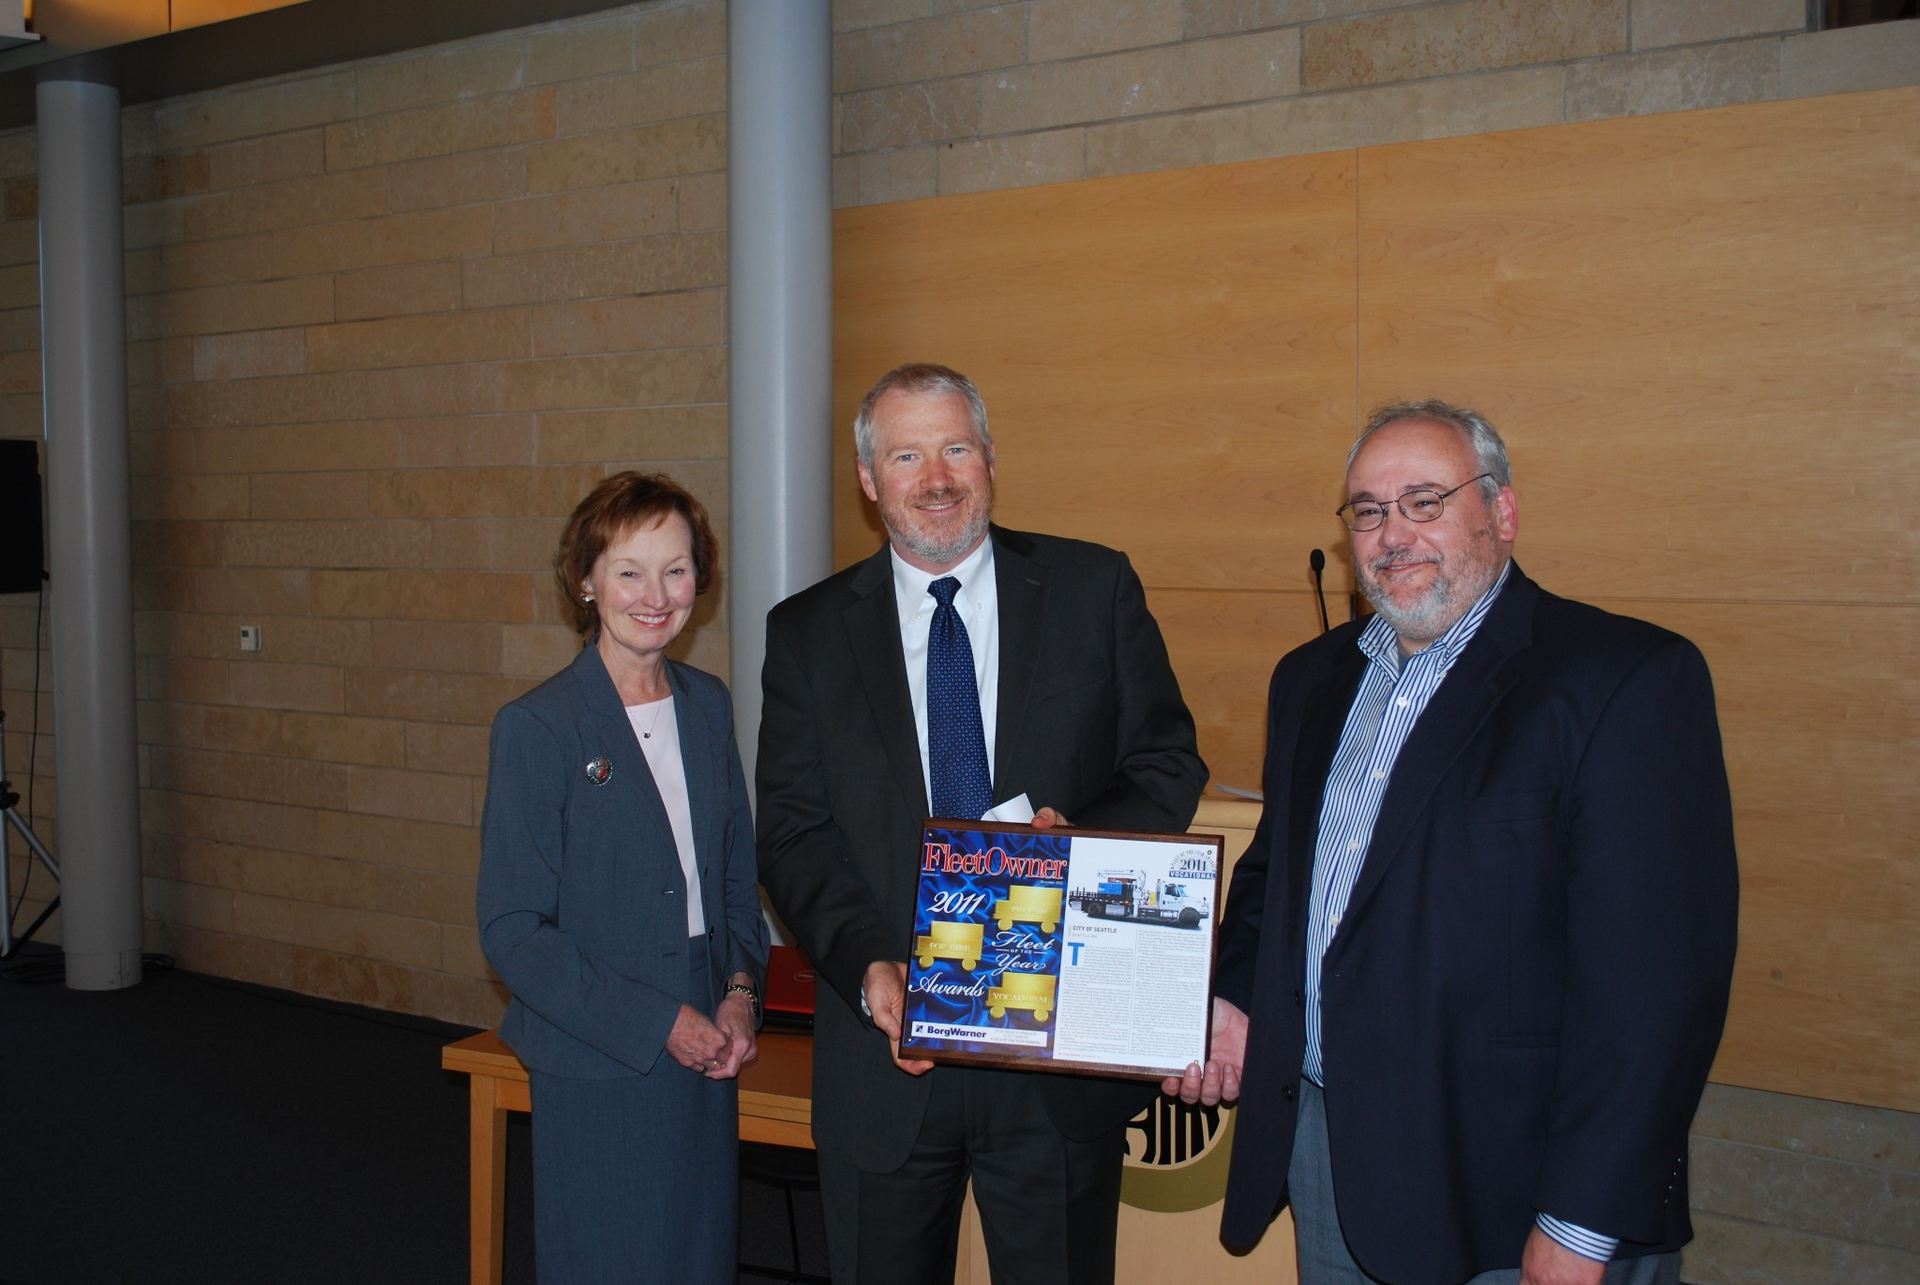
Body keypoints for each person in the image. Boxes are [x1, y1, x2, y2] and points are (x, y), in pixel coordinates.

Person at [1168, 401, 1739, 1285]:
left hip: (1511, 1188)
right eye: (1368, 509)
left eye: (1424, 500)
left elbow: (1656, 993)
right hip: (1328, 1154)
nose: (1393, 533)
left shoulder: (1623, 680)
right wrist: (1236, 994)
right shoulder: (1312, 679)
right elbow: (1278, 878)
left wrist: (1583, 1222)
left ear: (1501, 513)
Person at [756, 363, 1207, 1285]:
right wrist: (867, 963)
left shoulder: (1094, 588)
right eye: (908, 454)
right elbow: (793, 831)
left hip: (1054, 1064)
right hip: (888, 1055)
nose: (937, 477)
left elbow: (1167, 763)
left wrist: (1070, 839)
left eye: (957, 447)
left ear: (992, 460)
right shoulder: (805, 633)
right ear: (869, 480)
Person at [477, 471, 769, 1283]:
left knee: (697, 1258)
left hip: (710, 1046)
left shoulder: (709, 705)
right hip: (599, 1054)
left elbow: (737, 884)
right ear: (586, 579)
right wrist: (656, 1020)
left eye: (675, 569)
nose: (654, 593)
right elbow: (511, 929)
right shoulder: (540, 726)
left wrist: (741, 994)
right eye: (629, 569)